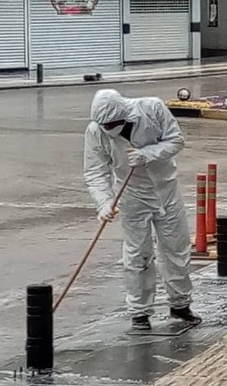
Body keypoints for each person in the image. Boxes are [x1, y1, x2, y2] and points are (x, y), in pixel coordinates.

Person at [83, 89, 201, 331]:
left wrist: (148, 154)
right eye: (105, 125)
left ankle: (180, 304)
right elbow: (95, 171)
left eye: (113, 123)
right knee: (138, 253)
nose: (109, 128)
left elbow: (176, 140)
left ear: (124, 115)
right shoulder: (96, 131)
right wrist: (104, 202)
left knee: (175, 249)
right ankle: (139, 312)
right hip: (131, 196)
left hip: (166, 190)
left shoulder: (152, 108)